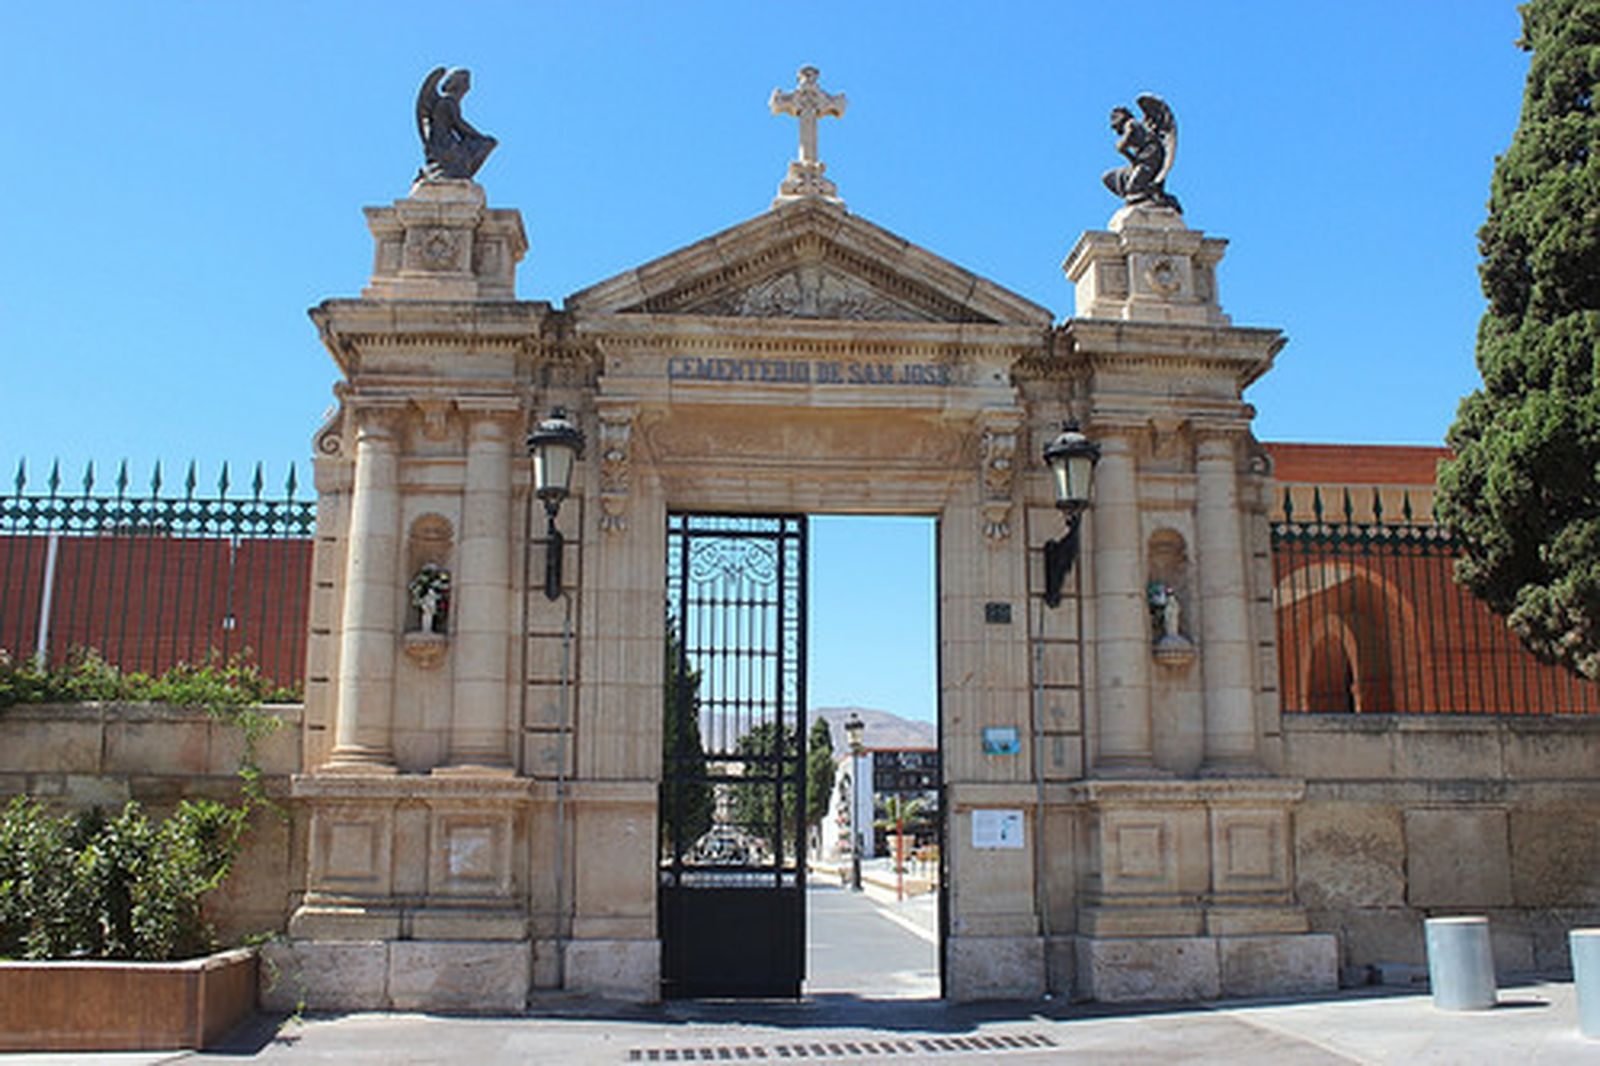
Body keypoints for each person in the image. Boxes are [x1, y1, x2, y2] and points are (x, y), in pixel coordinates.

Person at [418, 68, 497, 181]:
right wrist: (480, 136)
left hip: (445, 141)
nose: (468, 86)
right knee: (477, 148)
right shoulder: (448, 102)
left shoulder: (450, 101)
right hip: (443, 142)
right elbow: (459, 125)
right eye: (466, 81)